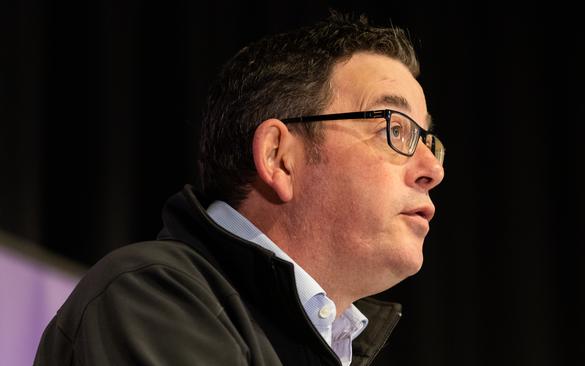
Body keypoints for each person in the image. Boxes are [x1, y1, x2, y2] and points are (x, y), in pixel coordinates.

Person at [34, 11, 445, 366]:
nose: (432, 169)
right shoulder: (151, 296)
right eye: (394, 129)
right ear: (279, 157)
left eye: (428, 140)